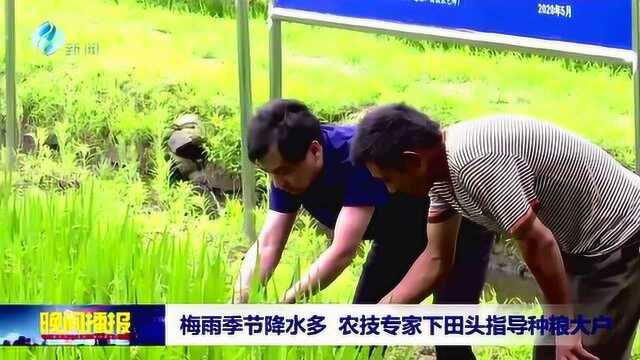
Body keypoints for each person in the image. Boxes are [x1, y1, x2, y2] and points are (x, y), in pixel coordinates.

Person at [351, 103, 640, 360]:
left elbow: (538, 242)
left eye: (389, 179)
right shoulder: (440, 176)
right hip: (580, 247)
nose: (390, 189)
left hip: (621, 238)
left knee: (580, 351)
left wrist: (566, 326)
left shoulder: (473, 163)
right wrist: (381, 314)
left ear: (413, 160)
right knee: (551, 351)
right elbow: (436, 259)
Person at [234, 99, 495, 359]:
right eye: (270, 174)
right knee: (360, 339)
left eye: (283, 172)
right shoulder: (288, 173)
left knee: (450, 337)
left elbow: (342, 252)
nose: (277, 184)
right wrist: (241, 300)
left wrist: (286, 304)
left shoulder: (354, 156)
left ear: (315, 151)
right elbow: (268, 244)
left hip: (458, 224)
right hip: (397, 235)